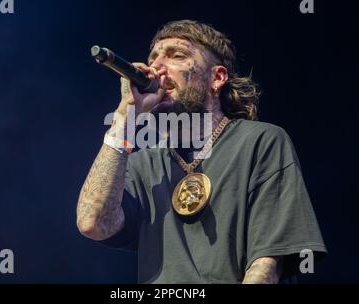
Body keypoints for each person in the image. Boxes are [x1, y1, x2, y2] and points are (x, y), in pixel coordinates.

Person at [76, 20, 327, 284]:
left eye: (177, 55)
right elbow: (93, 223)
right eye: (153, 58)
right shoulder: (143, 164)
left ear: (217, 78)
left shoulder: (260, 142)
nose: (156, 67)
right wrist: (124, 117)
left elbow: (267, 264)